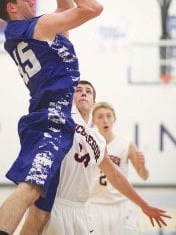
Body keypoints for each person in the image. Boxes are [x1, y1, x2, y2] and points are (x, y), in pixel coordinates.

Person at [0, 0, 103, 235]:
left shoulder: (41, 33)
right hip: (49, 120)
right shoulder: (36, 28)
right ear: (11, 8)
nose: (30, 1)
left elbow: (65, 9)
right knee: (29, 188)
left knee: (41, 213)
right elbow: (93, 8)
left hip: (55, 118)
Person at [20, 81, 171, 235]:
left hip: (93, 208)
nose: (83, 93)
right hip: (73, 205)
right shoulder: (65, 122)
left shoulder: (101, 141)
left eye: (88, 91)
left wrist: (143, 200)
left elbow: (118, 176)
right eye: (78, 90)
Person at [89, 101, 149, 234]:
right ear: (93, 120)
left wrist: (142, 166)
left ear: (114, 119)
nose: (105, 120)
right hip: (95, 205)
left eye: (108, 116)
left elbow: (144, 176)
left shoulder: (126, 143)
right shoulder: (88, 142)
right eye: (100, 116)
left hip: (122, 205)